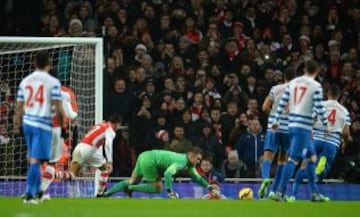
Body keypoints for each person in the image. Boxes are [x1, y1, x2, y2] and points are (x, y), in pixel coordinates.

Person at [270, 59, 329, 202]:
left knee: (312, 157)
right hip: (303, 127)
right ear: (317, 71)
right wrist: (326, 124)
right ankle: (279, 193)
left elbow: (283, 102)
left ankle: (314, 193)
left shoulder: (293, 82)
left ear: (304, 69)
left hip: (292, 125)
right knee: (293, 159)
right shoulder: (316, 86)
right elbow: (319, 107)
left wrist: (276, 120)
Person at [15, 51, 65, 204]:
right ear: (49, 64)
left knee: (34, 158)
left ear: (34, 64)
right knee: (37, 161)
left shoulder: (25, 81)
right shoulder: (53, 82)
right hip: (42, 124)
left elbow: (19, 107)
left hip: (27, 123)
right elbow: (58, 107)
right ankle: (30, 195)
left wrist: (17, 125)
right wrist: (63, 126)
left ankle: (37, 192)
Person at [291, 85, 352, 199]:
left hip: (316, 138)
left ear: (327, 94)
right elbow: (346, 133)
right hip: (332, 142)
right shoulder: (344, 111)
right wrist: (346, 142)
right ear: (338, 96)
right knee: (321, 172)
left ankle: (294, 195)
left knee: (304, 165)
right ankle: (317, 180)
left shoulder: (320, 105)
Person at [104, 147, 219, 199]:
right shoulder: (182, 162)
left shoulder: (188, 164)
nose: (199, 162)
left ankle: (105, 194)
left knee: (132, 181)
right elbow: (168, 173)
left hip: (144, 155)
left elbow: (198, 178)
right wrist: (170, 191)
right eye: (197, 159)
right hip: (150, 162)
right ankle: (130, 188)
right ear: (190, 156)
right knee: (158, 188)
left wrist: (210, 188)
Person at [57, 115, 121, 197]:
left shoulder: (100, 125)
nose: (118, 127)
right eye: (119, 125)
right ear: (116, 124)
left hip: (79, 147)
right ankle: (100, 194)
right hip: (89, 150)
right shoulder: (110, 130)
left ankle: (55, 175)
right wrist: (109, 161)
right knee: (106, 170)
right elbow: (108, 145)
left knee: (72, 175)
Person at [41, 71, 78, 199]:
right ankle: (40, 192)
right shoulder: (63, 94)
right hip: (55, 131)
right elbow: (71, 115)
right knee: (51, 164)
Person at [258, 67, 295, 198]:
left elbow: (264, 107)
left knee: (268, 157)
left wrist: (273, 116)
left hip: (274, 128)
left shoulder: (276, 89)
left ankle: (266, 179)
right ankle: (275, 191)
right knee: (282, 161)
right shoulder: (298, 92)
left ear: (284, 77)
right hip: (289, 130)